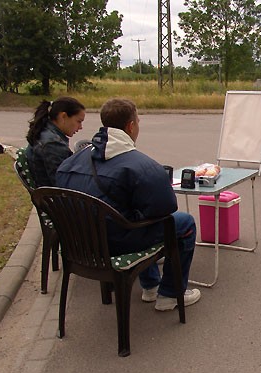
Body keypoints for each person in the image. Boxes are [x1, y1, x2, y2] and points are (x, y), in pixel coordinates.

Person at [56, 98, 201, 311]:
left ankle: (151, 286)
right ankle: (170, 294)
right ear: (131, 126)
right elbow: (166, 208)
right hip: (115, 244)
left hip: (80, 244)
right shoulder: (141, 166)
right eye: (138, 122)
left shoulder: (72, 161)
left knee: (132, 215)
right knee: (183, 223)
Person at [26, 97, 85, 186]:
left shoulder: (43, 132)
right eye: (78, 121)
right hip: (57, 197)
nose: (80, 127)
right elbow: (63, 182)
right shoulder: (52, 144)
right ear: (63, 116)